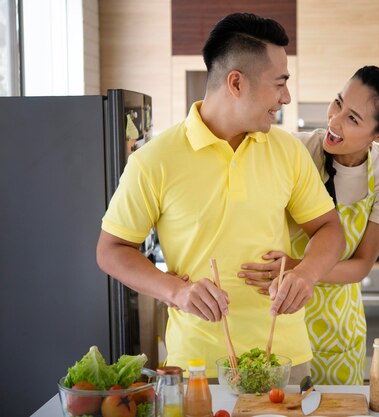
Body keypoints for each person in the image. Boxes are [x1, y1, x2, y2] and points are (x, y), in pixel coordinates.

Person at [96, 12, 345, 380]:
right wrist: (175, 292)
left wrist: (306, 273)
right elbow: (111, 250)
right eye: (279, 83)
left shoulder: (288, 151)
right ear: (236, 83)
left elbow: (329, 229)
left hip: (286, 362)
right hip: (199, 367)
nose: (286, 97)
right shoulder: (153, 160)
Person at [239, 65, 379, 384]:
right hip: (280, 319)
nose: (334, 120)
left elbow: (360, 266)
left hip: (338, 329)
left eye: (353, 119)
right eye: (338, 103)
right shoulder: (297, 149)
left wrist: (298, 267)